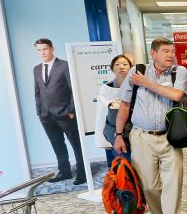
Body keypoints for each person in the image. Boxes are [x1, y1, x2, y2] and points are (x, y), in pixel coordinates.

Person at [112, 38, 187, 214]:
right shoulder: (136, 71)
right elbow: (125, 105)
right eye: (165, 51)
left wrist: (146, 83)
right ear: (153, 54)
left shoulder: (178, 72)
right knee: (149, 187)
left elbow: (177, 94)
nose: (171, 55)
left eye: (172, 51)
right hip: (141, 138)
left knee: (173, 184)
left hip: (170, 137)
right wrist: (118, 135)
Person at [32, 38, 86, 185]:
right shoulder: (36, 69)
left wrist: (71, 110)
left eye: (45, 49)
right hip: (46, 116)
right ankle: (65, 171)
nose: (42, 52)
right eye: (39, 50)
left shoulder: (65, 66)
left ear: (52, 49)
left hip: (65, 114)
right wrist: (39, 111)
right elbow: (37, 91)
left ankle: (82, 172)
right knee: (57, 144)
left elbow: (74, 89)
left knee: (76, 144)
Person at [94, 53, 132, 167]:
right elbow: (102, 112)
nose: (121, 67)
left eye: (125, 64)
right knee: (124, 167)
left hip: (136, 132)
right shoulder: (106, 89)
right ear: (112, 69)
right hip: (115, 133)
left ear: (131, 68)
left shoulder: (137, 85)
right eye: (117, 64)